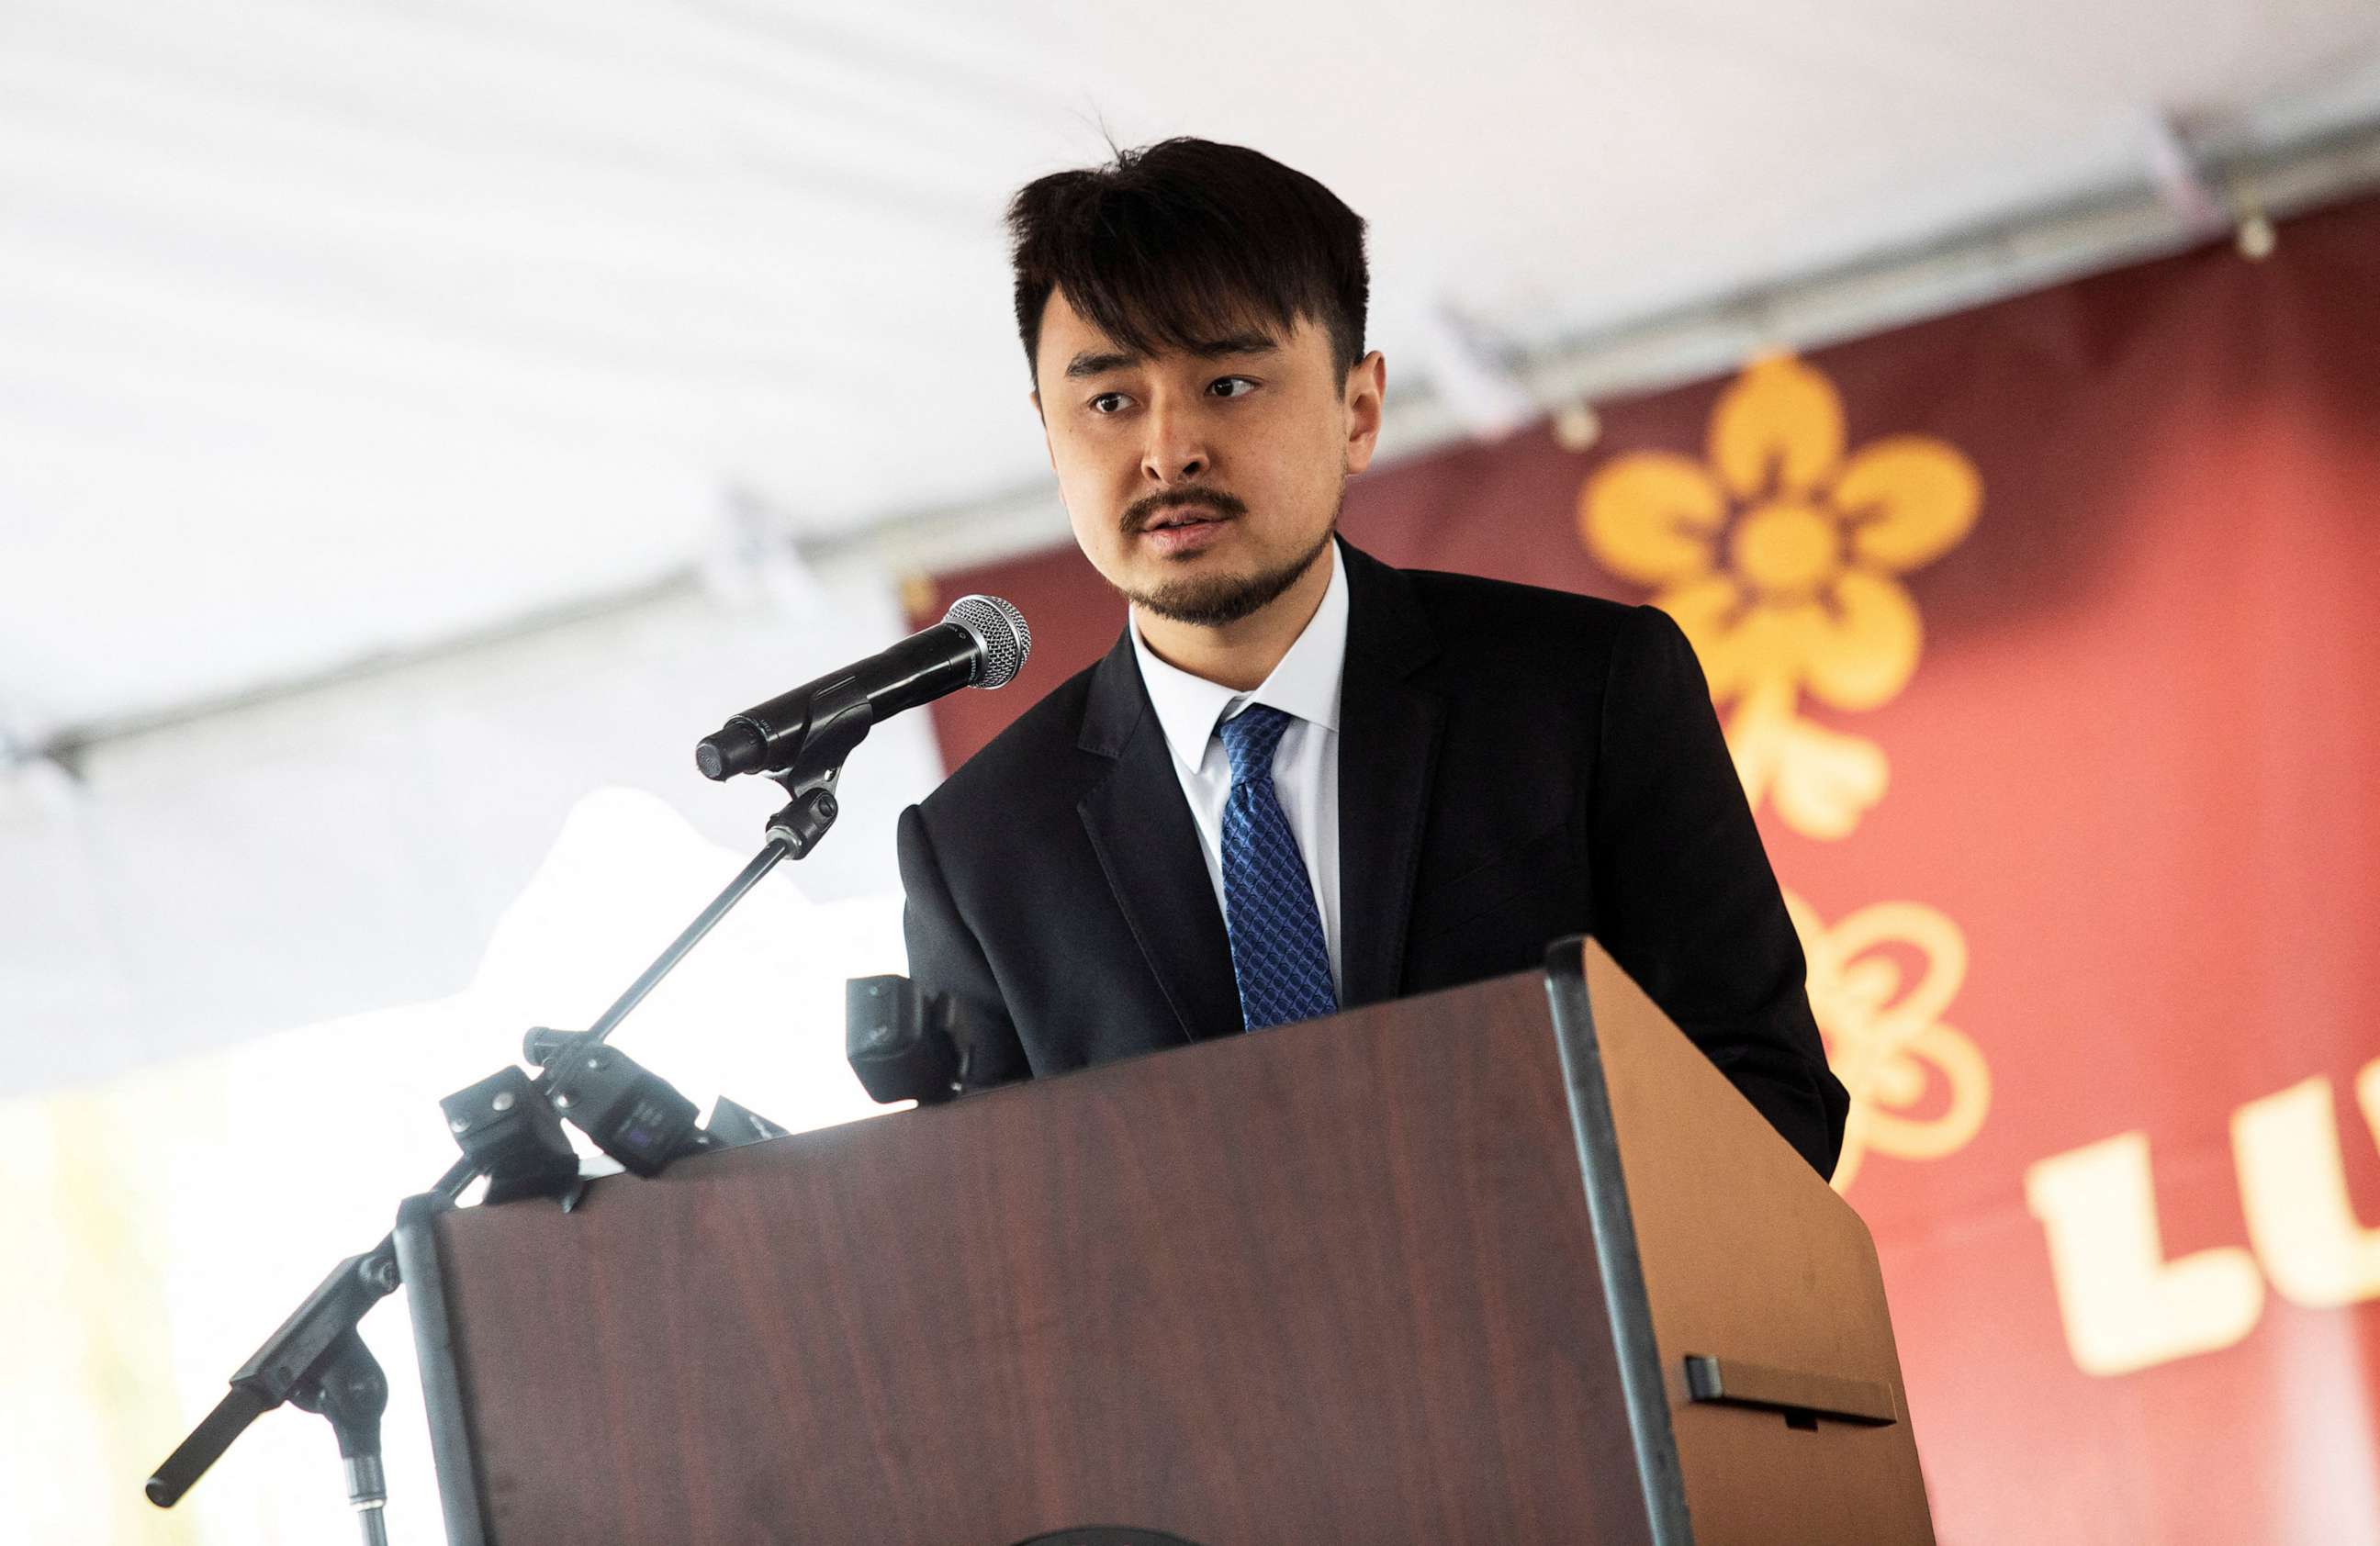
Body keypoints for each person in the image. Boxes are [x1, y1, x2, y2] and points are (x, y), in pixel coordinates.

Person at [896, 138, 1847, 1176]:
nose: (1168, 451)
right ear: (1048, 433)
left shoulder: (1585, 693)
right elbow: (1007, 1251)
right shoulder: (983, 851)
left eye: (1228, 382)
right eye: (1110, 401)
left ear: (1359, 410)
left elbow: (1771, 1099)